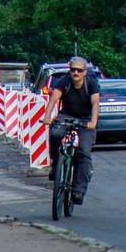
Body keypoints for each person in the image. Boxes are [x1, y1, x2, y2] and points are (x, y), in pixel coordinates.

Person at [43, 56, 100, 204]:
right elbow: (53, 99)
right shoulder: (64, 82)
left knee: (83, 151)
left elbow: (95, 104)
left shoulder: (91, 84)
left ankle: (78, 191)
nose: (76, 73)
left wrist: (93, 122)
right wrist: (47, 116)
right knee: (55, 134)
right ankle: (56, 164)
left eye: (79, 70)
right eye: (73, 69)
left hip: (86, 120)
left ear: (85, 72)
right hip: (66, 116)